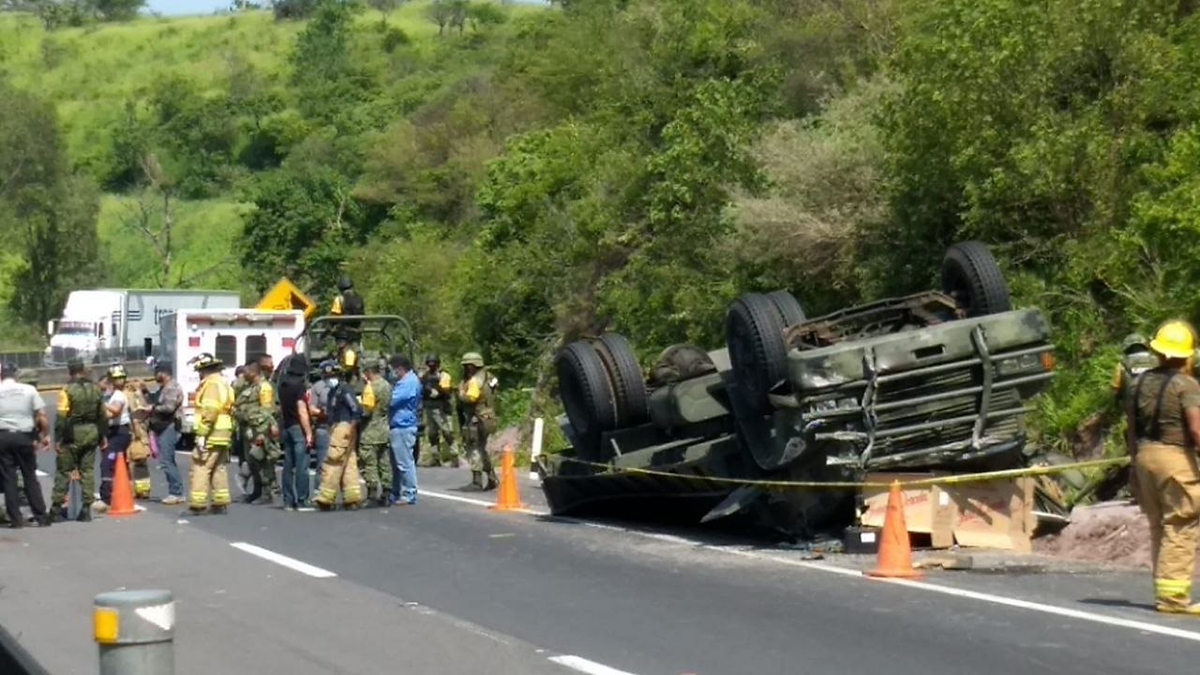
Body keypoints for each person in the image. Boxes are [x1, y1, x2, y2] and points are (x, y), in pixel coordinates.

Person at [1125, 320, 1200, 614]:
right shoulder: (1187, 385)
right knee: (1181, 523)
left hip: (1144, 457)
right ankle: (1173, 598)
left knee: (1159, 525)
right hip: (1175, 459)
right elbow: (1196, 430)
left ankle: (1165, 590)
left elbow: (1131, 430)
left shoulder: (1137, 383)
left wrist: (1133, 465)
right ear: (1187, 355)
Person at [51, 359, 107, 522]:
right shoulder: (95, 389)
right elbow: (102, 414)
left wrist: (58, 439)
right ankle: (85, 509)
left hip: (72, 433)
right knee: (87, 471)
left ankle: (56, 508)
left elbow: (61, 417)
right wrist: (103, 435)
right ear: (82, 370)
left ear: (70, 371)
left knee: (64, 471)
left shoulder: (67, 391)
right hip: (91, 432)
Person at [0, 363, 51, 528]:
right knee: (29, 476)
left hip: (3, 436)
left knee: (9, 478)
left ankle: (15, 519)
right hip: (25, 436)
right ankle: (41, 516)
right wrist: (45, 435)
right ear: (15, 374)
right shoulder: (29, 390)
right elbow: (41, 415)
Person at [188, 353, 235, 515]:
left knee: (201, 466)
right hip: (223, 433)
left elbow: (210, 410)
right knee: (218, 467)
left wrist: (202, 433)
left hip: (212, 433)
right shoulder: (222, 383)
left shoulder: (211, 385)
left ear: (204, 370)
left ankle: (198, 504)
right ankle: (219, 502)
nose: (198, 375)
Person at [314, 361, 364, 510]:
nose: (328, 378)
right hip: (339, 427)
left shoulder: (344, 390)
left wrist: (350, 429)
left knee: (333, 461)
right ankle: (352, 498)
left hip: (343, 427)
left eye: (331, 375)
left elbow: (356, 409)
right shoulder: (334, 391)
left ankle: (325, 498)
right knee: (349, 463)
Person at [234, 362, 279, 505]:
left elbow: (267, 411)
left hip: (261, 430)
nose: (243, 374)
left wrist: (262, 433)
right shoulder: (250, 387)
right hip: (250, 429)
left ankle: (266, 494)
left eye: (246, 371)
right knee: (252, 462)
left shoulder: (264, 387)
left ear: (253, 372)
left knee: (262, 461)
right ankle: (257, 492)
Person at [142, 360, 185, 505]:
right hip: (161, 426)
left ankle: (176, 492)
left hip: (169, 426)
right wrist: (145, 392)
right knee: (167, 460)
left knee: (166, 461)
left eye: (157, 373)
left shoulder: (172, 387)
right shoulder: (163, 388)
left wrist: (151, 409)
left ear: (163, 373)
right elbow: (156, 400)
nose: (155, 376)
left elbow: (168, 407)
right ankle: (176, 491)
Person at [278, 355, 314, 511]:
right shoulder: (299, 386)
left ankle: (287, 500)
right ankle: (302, 500)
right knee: (301, 465)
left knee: (288, 465)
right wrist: (308, 433)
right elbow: (302, 411)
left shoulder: (282, 384)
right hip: (297, 427)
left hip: (286, 426)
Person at [458, 352, 498, 491]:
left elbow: (471, 398)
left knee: (474, 448)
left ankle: (477, 481)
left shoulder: (475, 381)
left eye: (467, 366)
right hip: (488, 416)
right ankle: (492, 477)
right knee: (482, 448)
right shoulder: (489, 376)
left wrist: (461, 394)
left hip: (476, 417)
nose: (466, 368)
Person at [97, 365, 133, 513]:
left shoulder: (118, 395)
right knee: (119, 463)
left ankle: (106, 497)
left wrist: (102, 404)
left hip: (119, 431)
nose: (119, 381)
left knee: (107, 463)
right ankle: (121, 491)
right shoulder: (114, 394)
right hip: (116, 431)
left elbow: (116, 410)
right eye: (116, 378)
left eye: (121, 378)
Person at [359, 361, 393, 506]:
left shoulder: (370, 387)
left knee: (370, 464)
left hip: (370, 431)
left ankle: (372, 494)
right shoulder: (387, 385)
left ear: (368, 372)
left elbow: (367, 411)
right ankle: (386, 492)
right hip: (384, 429)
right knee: (384, 463)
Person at [388, 355, 420, 505]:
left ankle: (409, 493)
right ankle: (396, 492)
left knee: (404, 461)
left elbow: (392, 400)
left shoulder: (408, 382)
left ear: (399, 368)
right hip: (398, 425)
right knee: (396, 462)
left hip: (403, 426)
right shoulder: (404, 381)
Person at [419, 354, 460, 468]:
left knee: (447, 433)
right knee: (432, 434)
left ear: (437, 364)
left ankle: (455, 456)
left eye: (433, 364)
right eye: (429, 364)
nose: (431, 366)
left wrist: (437, 391)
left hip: (442, 408)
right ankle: (435, 457)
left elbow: (445, 391)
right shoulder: (425, 376)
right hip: (430, 408)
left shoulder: (444, 375)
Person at [124, 377, 153, 499]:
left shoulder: (138, 395)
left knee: (137, 460)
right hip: (136, 431)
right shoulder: (131, 395)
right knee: (136, 461)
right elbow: (135, 415)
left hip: (138, 432)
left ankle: (140, 489)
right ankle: (137, 489)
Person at [1112, 333, 1157, 402]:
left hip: (1132, 407)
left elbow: (1115, 389)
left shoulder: (1122, 365)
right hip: (1158, 404)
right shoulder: (1157, 361)